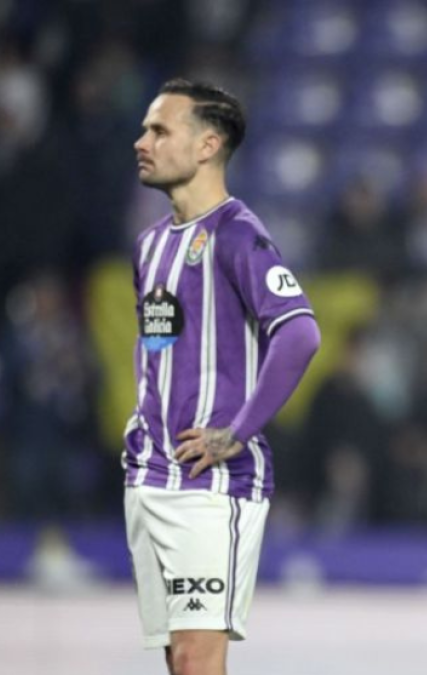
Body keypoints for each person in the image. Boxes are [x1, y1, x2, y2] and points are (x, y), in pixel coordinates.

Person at [124, 79, 321, 675]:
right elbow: (157, 347)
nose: (142, 142)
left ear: (208, 145)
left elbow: (299, 334)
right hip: (150, 475)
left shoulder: (238, 234)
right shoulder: (150, 245)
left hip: (211, 485)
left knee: (195, 660)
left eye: (160, 130)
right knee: (177, 661)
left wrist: (237, 431)